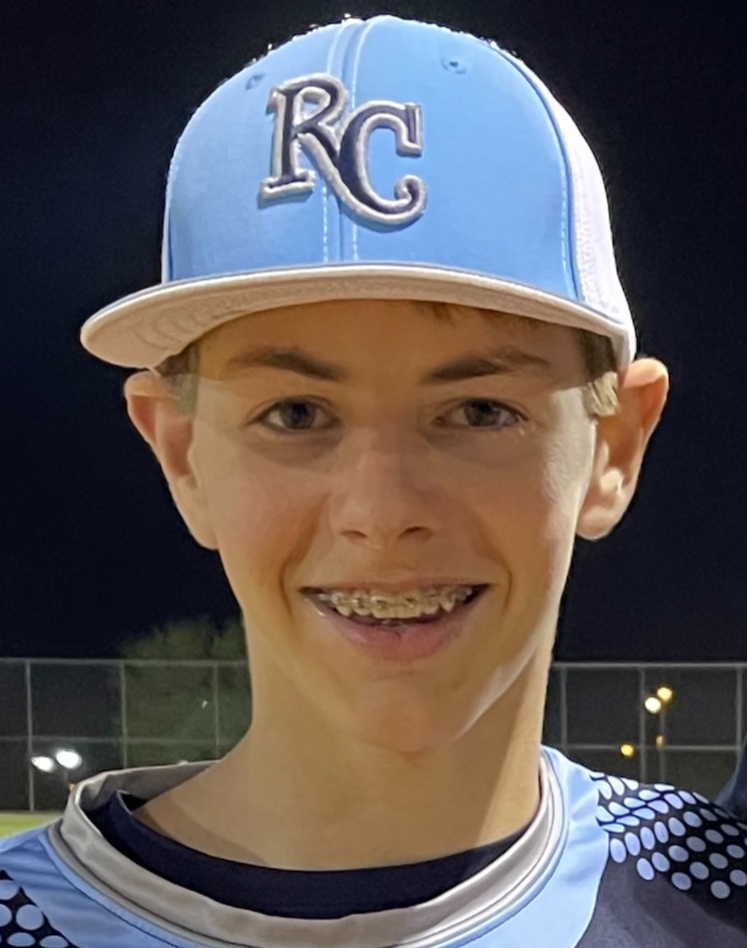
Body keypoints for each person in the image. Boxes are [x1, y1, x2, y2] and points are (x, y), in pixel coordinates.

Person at [1, 13, 744, 948]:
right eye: (295, 414)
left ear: (614, 446)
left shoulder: (715, 892)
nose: (381, 512)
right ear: (182, 454)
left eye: (479, 411)